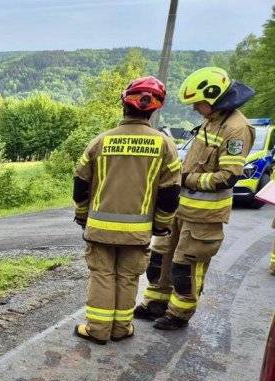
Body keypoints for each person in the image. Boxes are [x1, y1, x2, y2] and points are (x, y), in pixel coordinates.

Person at [135, 67, 255, 329]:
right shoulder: (212, 120)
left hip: (205, 215)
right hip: (180, 208)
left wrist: (185, 179)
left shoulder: (236, 129)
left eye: (197, 103)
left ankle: (179, 314)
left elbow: (228, 177)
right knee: (161, 259)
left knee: (185, 267)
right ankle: (156, 302)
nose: (194, 109)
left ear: (213, 98)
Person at [73, 76, 181, 345]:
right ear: (154, 109)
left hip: (99, 229)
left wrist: (82, 214)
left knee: (102, 276)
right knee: (129, 277)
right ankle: (121, 328)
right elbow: (170, 193)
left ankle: (97, 329)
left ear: (124, 102)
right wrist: (161, 223)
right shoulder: (165, 145)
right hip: (138, 232)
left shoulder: (101, 141)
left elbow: (80, 183)